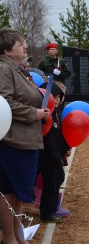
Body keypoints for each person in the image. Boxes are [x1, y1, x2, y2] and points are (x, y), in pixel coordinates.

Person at [0, 28, 50, 244]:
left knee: (18, 192)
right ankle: (9, 238)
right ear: (7, 51)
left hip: (24, 139)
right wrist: (33, 113)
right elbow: (4, 102)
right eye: (20, 44)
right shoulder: (3, 69)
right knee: (8, 191)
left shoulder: (16, 68)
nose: (25, 46)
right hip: (12, 141)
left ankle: (18, 236)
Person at [36, 82, 71, 223]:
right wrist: (56, 156)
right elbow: (48, 139)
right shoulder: (46, 116)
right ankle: (47, 212)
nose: (57, 100)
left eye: (59, 97)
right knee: (50, 184)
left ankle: (51, 209)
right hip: (47, 157)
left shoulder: (56, 113)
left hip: (55, 157)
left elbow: (60, 135)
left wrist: (65, 148)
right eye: (54, 97)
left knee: (57, 181)